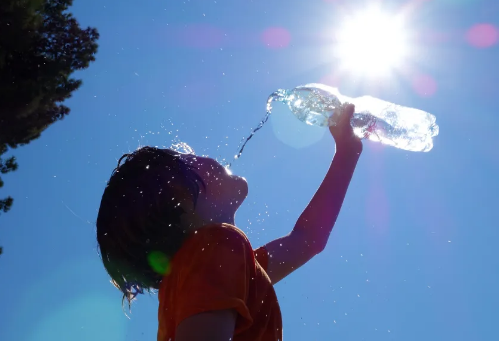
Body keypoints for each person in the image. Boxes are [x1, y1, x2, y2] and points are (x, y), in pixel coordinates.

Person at [96, 103, 363, 341]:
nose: (202, 156)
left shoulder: (217, 267)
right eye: (188, 160)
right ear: (180, 199)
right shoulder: (214, 249)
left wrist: (347, 152)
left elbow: (308, 239)